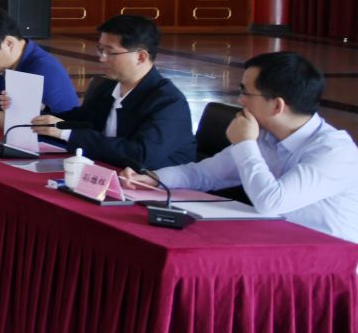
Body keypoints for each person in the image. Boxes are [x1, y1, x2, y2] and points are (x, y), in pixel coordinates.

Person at [128, 53, 358, 242]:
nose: (240, 101)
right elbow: (204, 174)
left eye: (245, 93)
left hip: (332, 265)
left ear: (277, 106)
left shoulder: (334, 152)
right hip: (278, 244)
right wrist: (154, 179)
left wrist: (245, 144)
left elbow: (271, 202)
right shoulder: (265, 136)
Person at [26, 15, 193, 169]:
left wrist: (67, 133)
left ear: (141, 57)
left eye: (110, 52)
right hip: (106, 173)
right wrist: (40, 112)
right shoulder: (107, 87)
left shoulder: (169, 103)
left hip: (157, 185)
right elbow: (81, 120)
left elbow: (139, 155)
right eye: (100, 49)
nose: (102, 58)